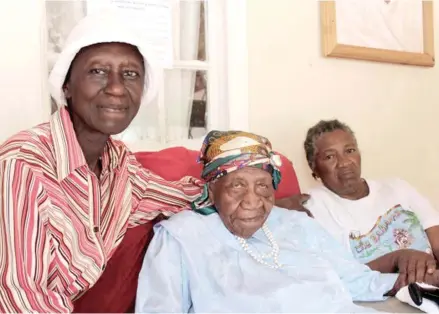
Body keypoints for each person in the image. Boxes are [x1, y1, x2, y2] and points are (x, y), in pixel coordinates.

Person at [0, 10, 304, 312]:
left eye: (130, 74)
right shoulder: (22, 165)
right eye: (98, 71)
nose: (117, 88)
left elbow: (182, 196)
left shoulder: (120, 166)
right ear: (66, 85)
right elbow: (22, 298)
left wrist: (259, 198)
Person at [135, 130, 410, 313]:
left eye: (264, 187)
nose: (253, 201)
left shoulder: (298, 225)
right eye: (237, 186)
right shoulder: (181, 235)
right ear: (212, 189)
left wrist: (413, 282)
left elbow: (356, 280)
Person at [302, 119, 439, 286]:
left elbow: (435, 236)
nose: (344, 162)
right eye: (330, 156)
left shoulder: (397, 187)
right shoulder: (313, 208)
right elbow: (340, 275)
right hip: (385, 300)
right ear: (314, 168)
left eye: (350, 150)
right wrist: (396, 259)